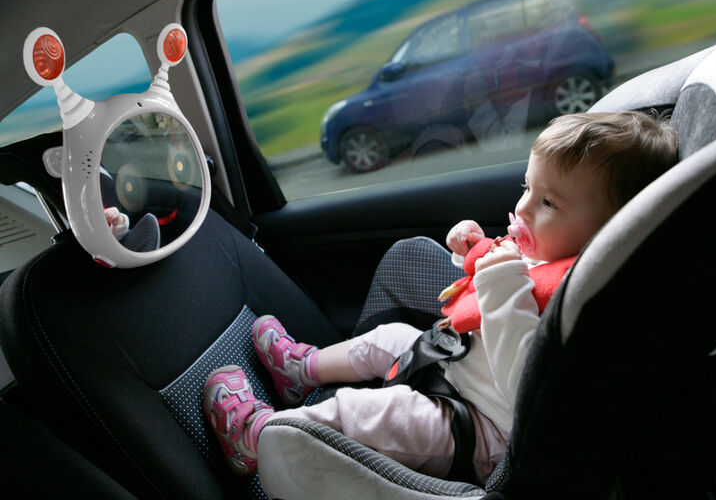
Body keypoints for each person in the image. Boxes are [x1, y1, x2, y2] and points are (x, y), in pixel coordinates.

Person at [202, 111, 678, 481]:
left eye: (548, 202)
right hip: (456, 368)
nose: (523, 207)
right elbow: (488, 289)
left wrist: (499, 282)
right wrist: (472, 255)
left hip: (483, 430)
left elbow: (527, 384)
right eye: (527, 188)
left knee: (381, 415)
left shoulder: (585, 299)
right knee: (389, 338)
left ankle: (257, 439)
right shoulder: (555, 252)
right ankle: (302, 371)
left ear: (610, 233)